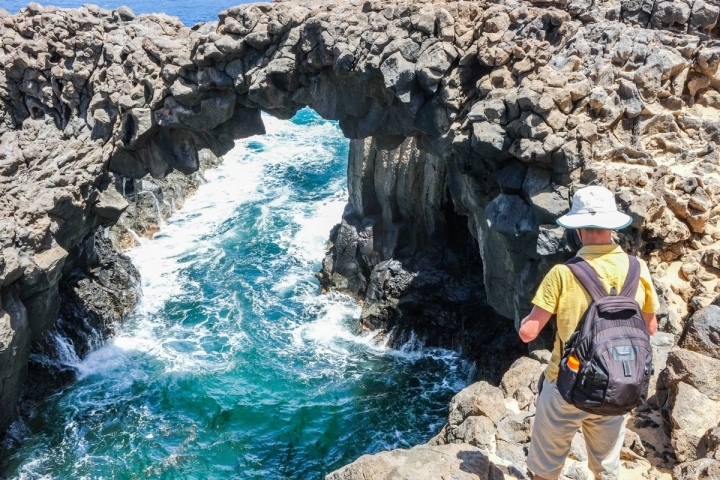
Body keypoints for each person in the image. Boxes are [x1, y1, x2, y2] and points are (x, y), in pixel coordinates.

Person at [518, 185, 659, 480]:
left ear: (578, 229)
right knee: (607, 470)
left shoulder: (562, 273)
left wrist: (525, 318)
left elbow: (529, 334)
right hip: (617, 384)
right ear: (612, 227)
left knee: (544, 470)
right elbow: (650, 328)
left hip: (566, 386)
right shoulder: (638, 269)